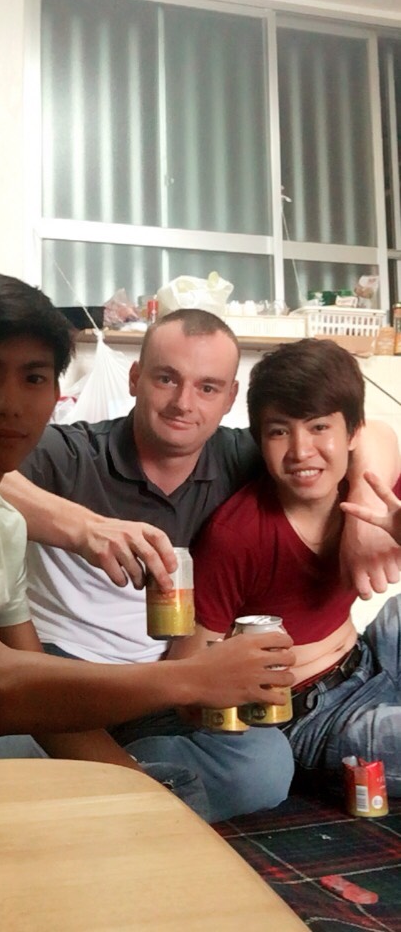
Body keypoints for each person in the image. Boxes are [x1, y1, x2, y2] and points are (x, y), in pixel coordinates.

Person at [0, 274, 295, 800]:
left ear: (55, 395)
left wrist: (139, 792)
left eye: (33, 378)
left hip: (80, 715)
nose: (9, 404)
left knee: (258, 766)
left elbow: (40, 709)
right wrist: (195, 678)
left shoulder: (3, 524)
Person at [0, 309, 400, 822]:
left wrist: (363, 512)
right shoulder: (74, 453)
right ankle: (121, 790)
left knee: (265, 765)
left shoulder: (245, 455)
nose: (185, 403)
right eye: (166, 379)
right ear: (135, 379)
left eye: (207, 388)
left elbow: (368, 432)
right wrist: (84, 528)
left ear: (229, 398)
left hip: (163, 690)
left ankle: (98, 791)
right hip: (58, 674)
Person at [178, 338, 401, 795]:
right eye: (280, 431)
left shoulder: (370, 490)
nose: (301, 450)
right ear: (260, 441)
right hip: (312, 715)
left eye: (319, 427)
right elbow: (186, 674)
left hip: (369, 655)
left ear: (352, 434)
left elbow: (382, 436)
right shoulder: (236, 535)